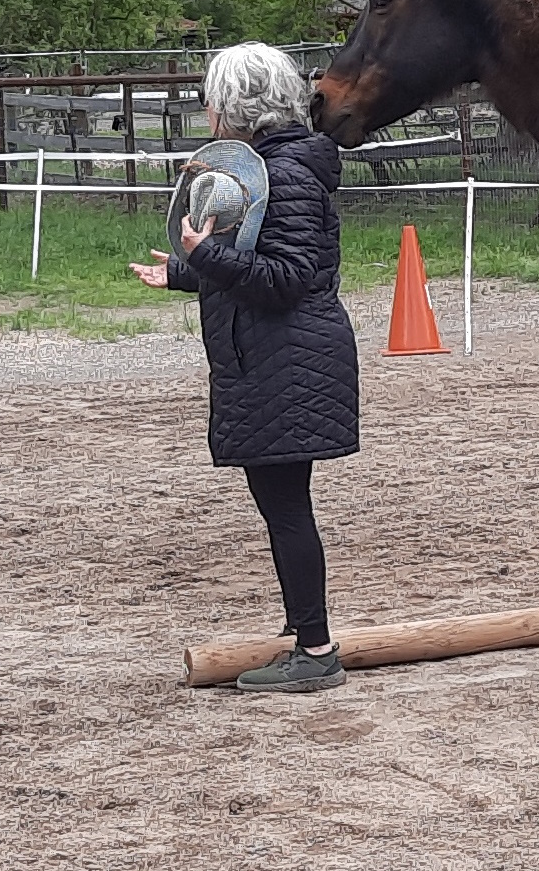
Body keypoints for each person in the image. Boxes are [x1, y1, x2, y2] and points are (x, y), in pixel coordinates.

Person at [131, 42, 359, 693]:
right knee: (281, 503)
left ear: (234, 106)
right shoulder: (274, 168)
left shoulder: (283, 175)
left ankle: (316, 649)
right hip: (275, 358)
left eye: (212, 100)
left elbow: (285, 279)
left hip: (286, 364)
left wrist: (205, 256)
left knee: (285, 506)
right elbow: (254, 262)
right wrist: (185, 271)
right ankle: (305, 629)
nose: (207, 111)